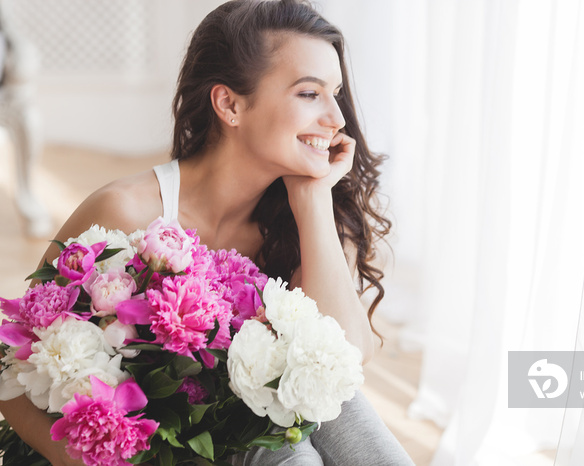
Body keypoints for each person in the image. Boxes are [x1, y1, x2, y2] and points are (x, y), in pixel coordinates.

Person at [0, 0, 414, 464]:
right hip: (150, 449)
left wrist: (313, 202)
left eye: (335, 93)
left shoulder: (308, 213)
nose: (337, 119)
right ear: (230, 104)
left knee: (338, 414)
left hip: (244, 430)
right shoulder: (127, 211)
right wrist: (73, 457)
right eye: (308, 94)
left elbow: (345, 362)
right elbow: (7, 362)